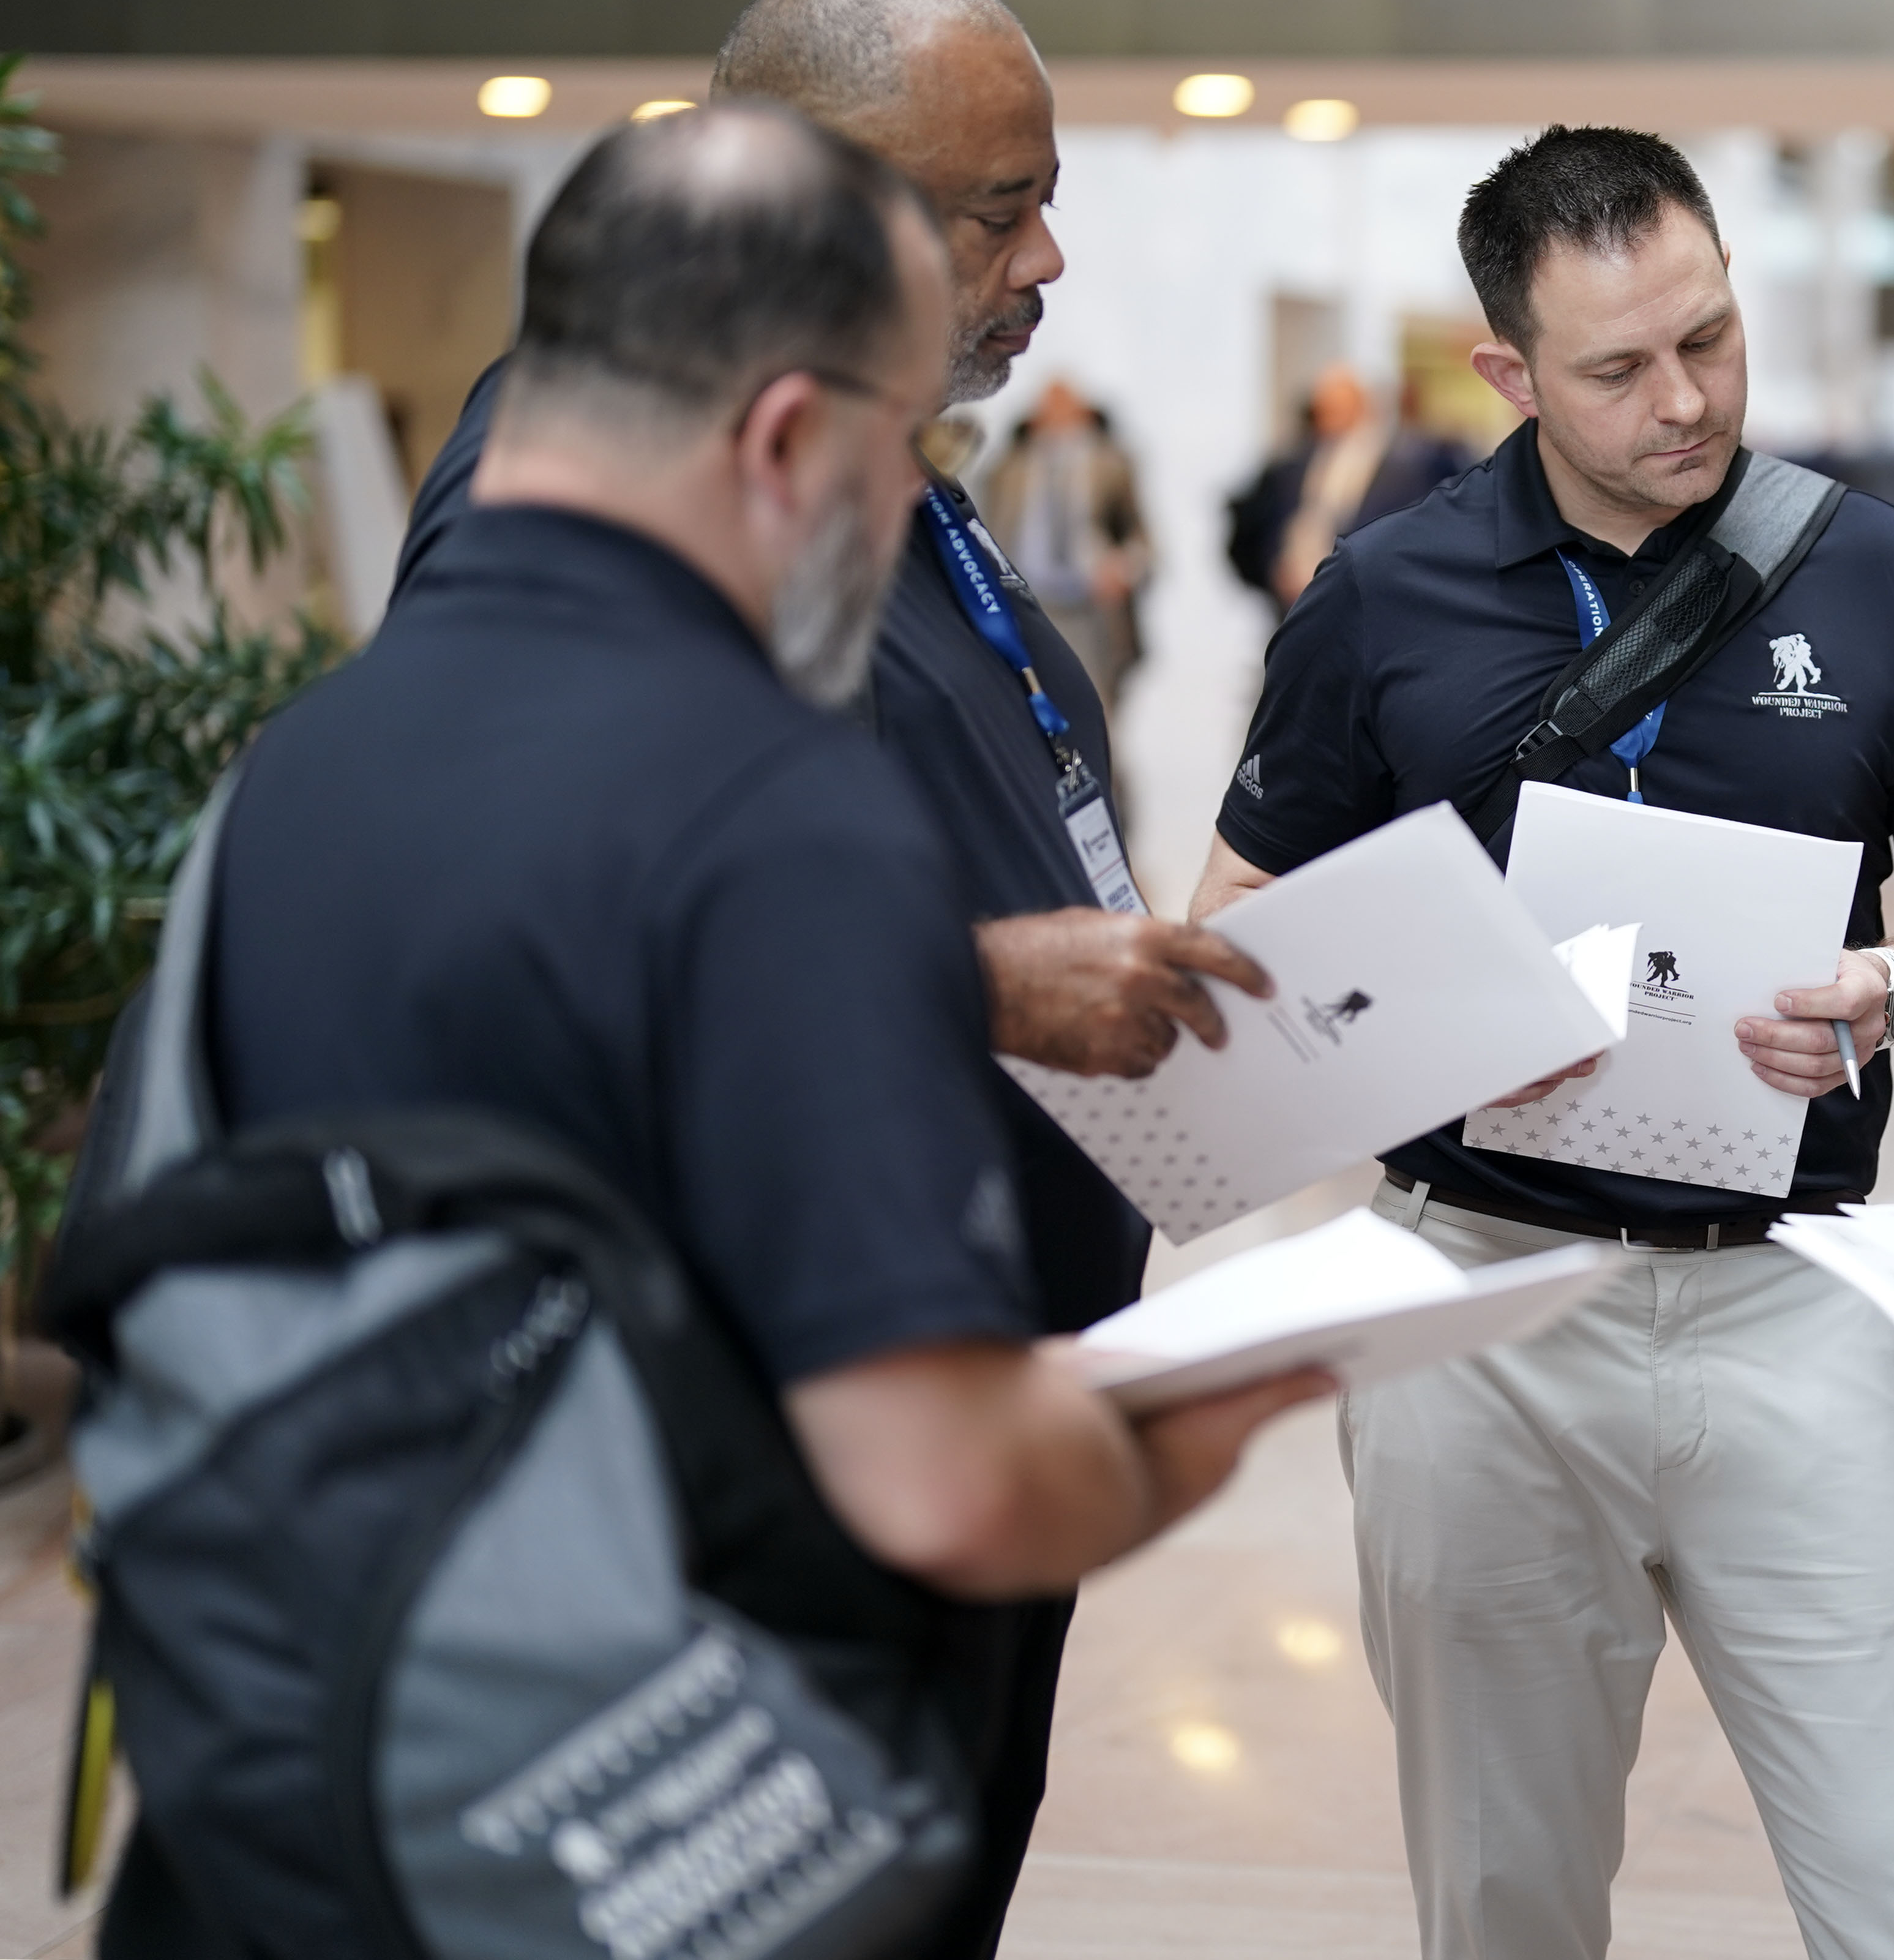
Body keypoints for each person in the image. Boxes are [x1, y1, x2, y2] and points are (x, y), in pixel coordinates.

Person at [176, 103, 1325, 1956]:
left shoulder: (304, 772)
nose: (910, 503)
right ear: (789, 438)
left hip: (356, 1744)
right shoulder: (762, 815)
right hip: (691, 1775)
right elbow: (940, 1478)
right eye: (893, 451)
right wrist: (1178, 1432)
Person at [1192, 125, 1894, 1960]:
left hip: (1795, 1299)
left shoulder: (1869, 572)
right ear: (1505, 371)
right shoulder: (1382, 600)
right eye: (1619, 369)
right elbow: (1226, 954)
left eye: (1711, 340)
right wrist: (1420, 1037)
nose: (1686, 400)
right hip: (1480, 1309)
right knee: (1503, 1902)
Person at [1224, 362, 1465, 610]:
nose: (1329, 419)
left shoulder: (1410, 465)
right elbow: (1279, 519)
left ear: (1362, 406)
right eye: (1323, 410)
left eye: (1337, 408)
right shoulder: (1299, 461)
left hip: (1367, 603)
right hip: (1297, 601)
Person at [984, 377, 1151, 709]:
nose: (1059, 418)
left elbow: (1141, 538)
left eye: (1067, 408)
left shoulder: (1112, 465)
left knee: (1091, 702)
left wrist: (1124, 567)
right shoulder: (1008, 469)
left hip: (1091, 606)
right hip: (1026, 600)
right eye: (1049, 409)